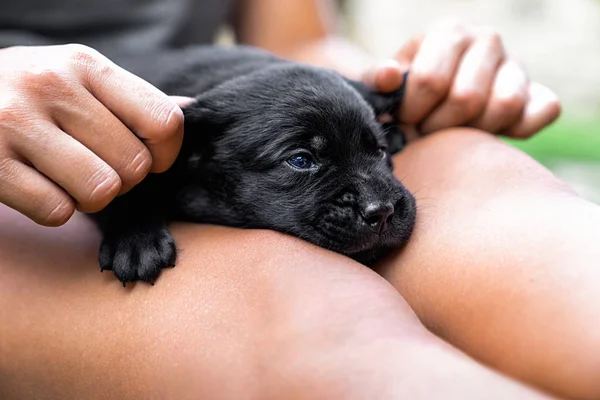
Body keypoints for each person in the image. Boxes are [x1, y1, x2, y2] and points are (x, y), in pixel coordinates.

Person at [1, 1, 598, 399]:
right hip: (30, 170)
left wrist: (411, 82)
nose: (378, 202)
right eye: (302, 161)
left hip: (224, 99)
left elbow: (302, 42)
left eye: (378, 149)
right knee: (309, 319)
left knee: (503, 201)